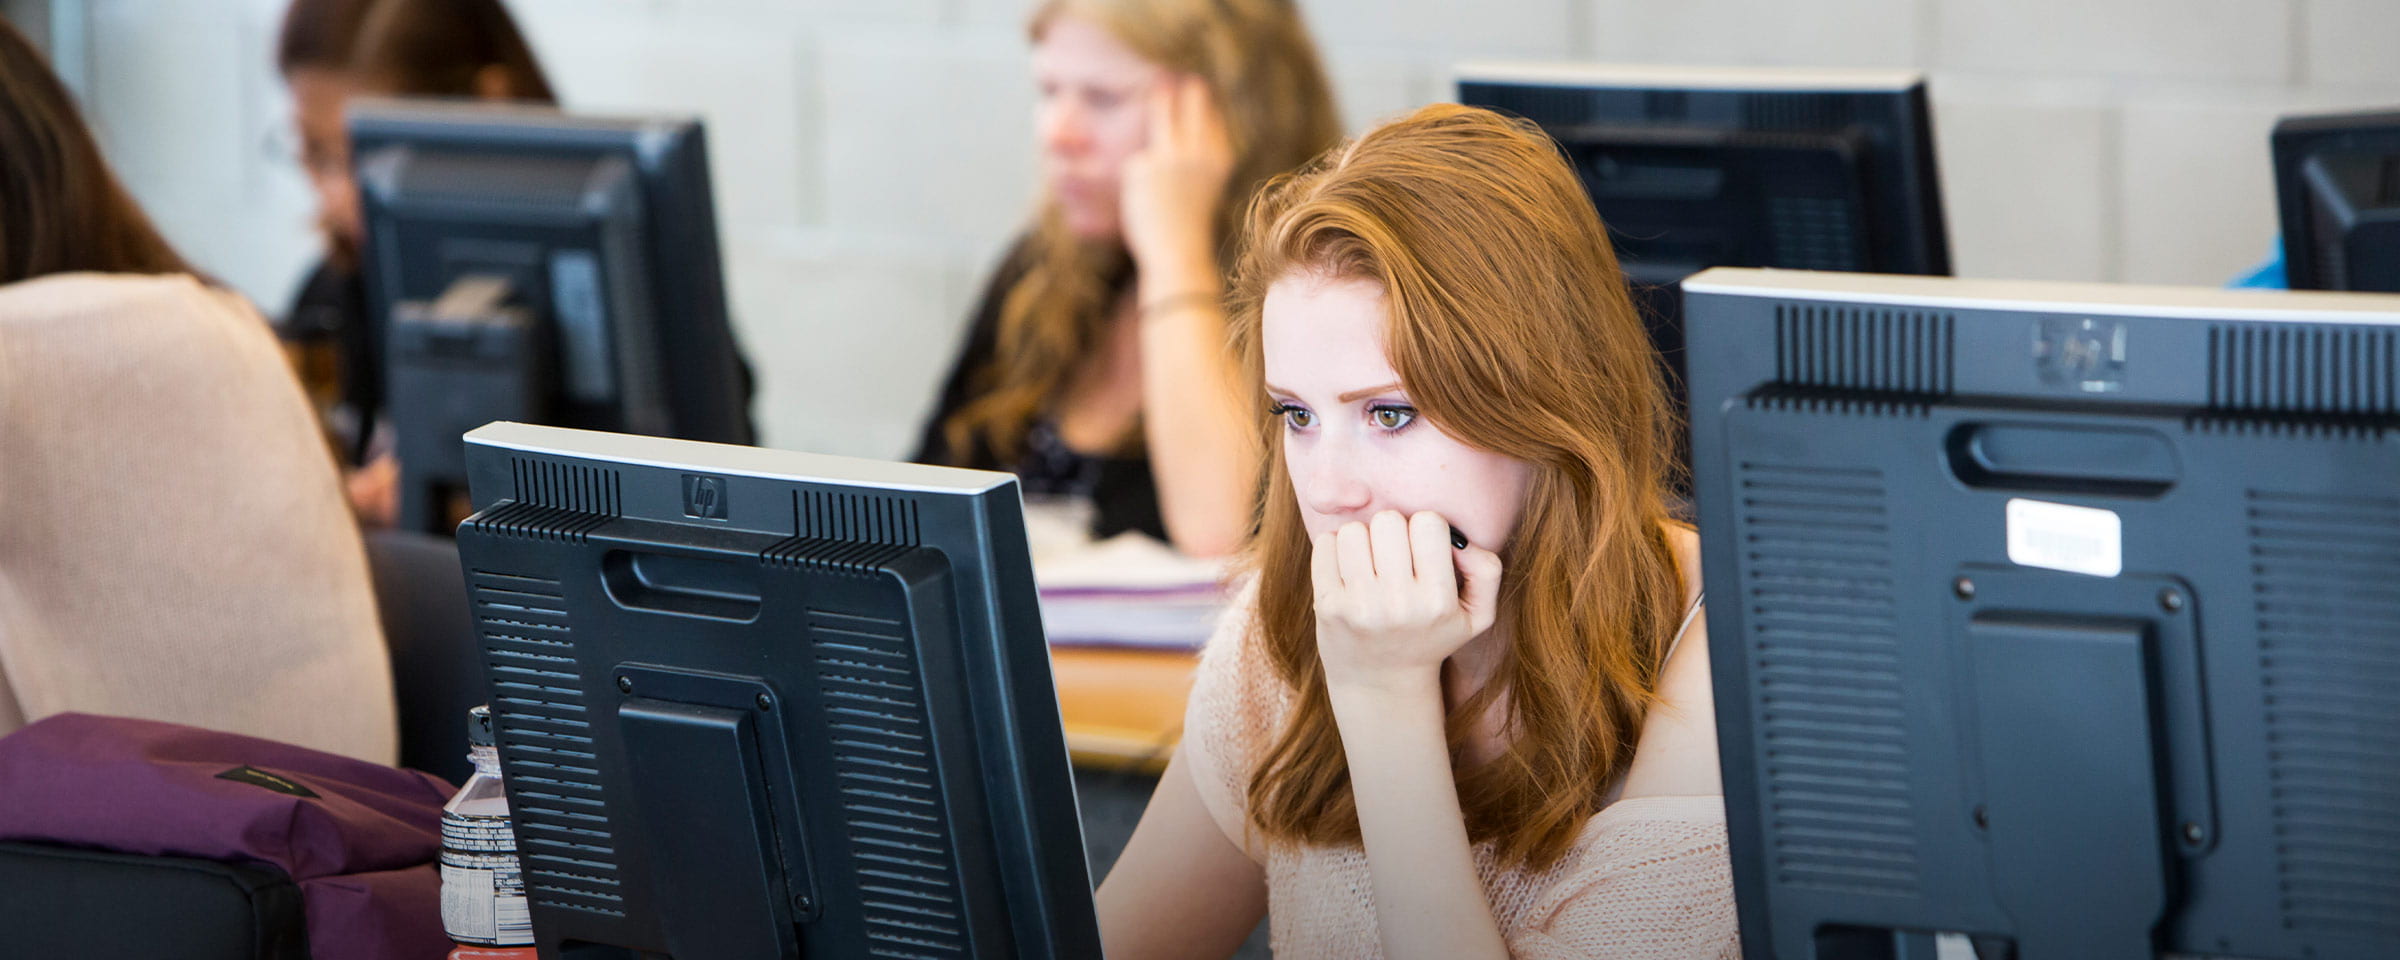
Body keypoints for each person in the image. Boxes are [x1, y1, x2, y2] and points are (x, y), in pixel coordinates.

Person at [1091, 104, 1740, 958]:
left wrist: (1383, 702)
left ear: (1547, 402)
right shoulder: (1296, 618)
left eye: (1391, 414)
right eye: (1297, 415)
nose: (1328, 490)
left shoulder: (1720, 655)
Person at [0, 17, 398, 762]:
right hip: (305, 851)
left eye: (350, 157)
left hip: (180, 862)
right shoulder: (219, 317)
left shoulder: (30, 355)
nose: (334, 194)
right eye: (315, 156)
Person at [913, 0, 1342, 556]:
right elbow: (919, 504)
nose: (1058, 134)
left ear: (1231, 115)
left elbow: (1218, 535)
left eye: (1103, 98)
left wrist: (1174, 250)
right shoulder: (1040, 272)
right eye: (1049, 91)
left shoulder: (1314, 298)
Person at [274, 0, 559, 525]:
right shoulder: (330, 295)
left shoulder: (614, 305)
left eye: (368, 159)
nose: (337, 198)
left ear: (487, 107)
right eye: (316, 154)